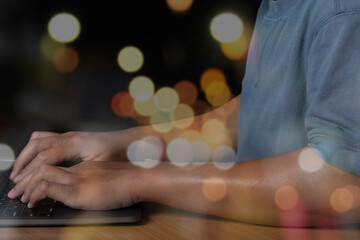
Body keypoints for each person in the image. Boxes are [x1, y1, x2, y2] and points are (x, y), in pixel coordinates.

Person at [7, 0, 360, 227]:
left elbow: (338, 179)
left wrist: (132, 180)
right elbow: (254, 112)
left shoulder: (341, 11)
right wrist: (117, 145)